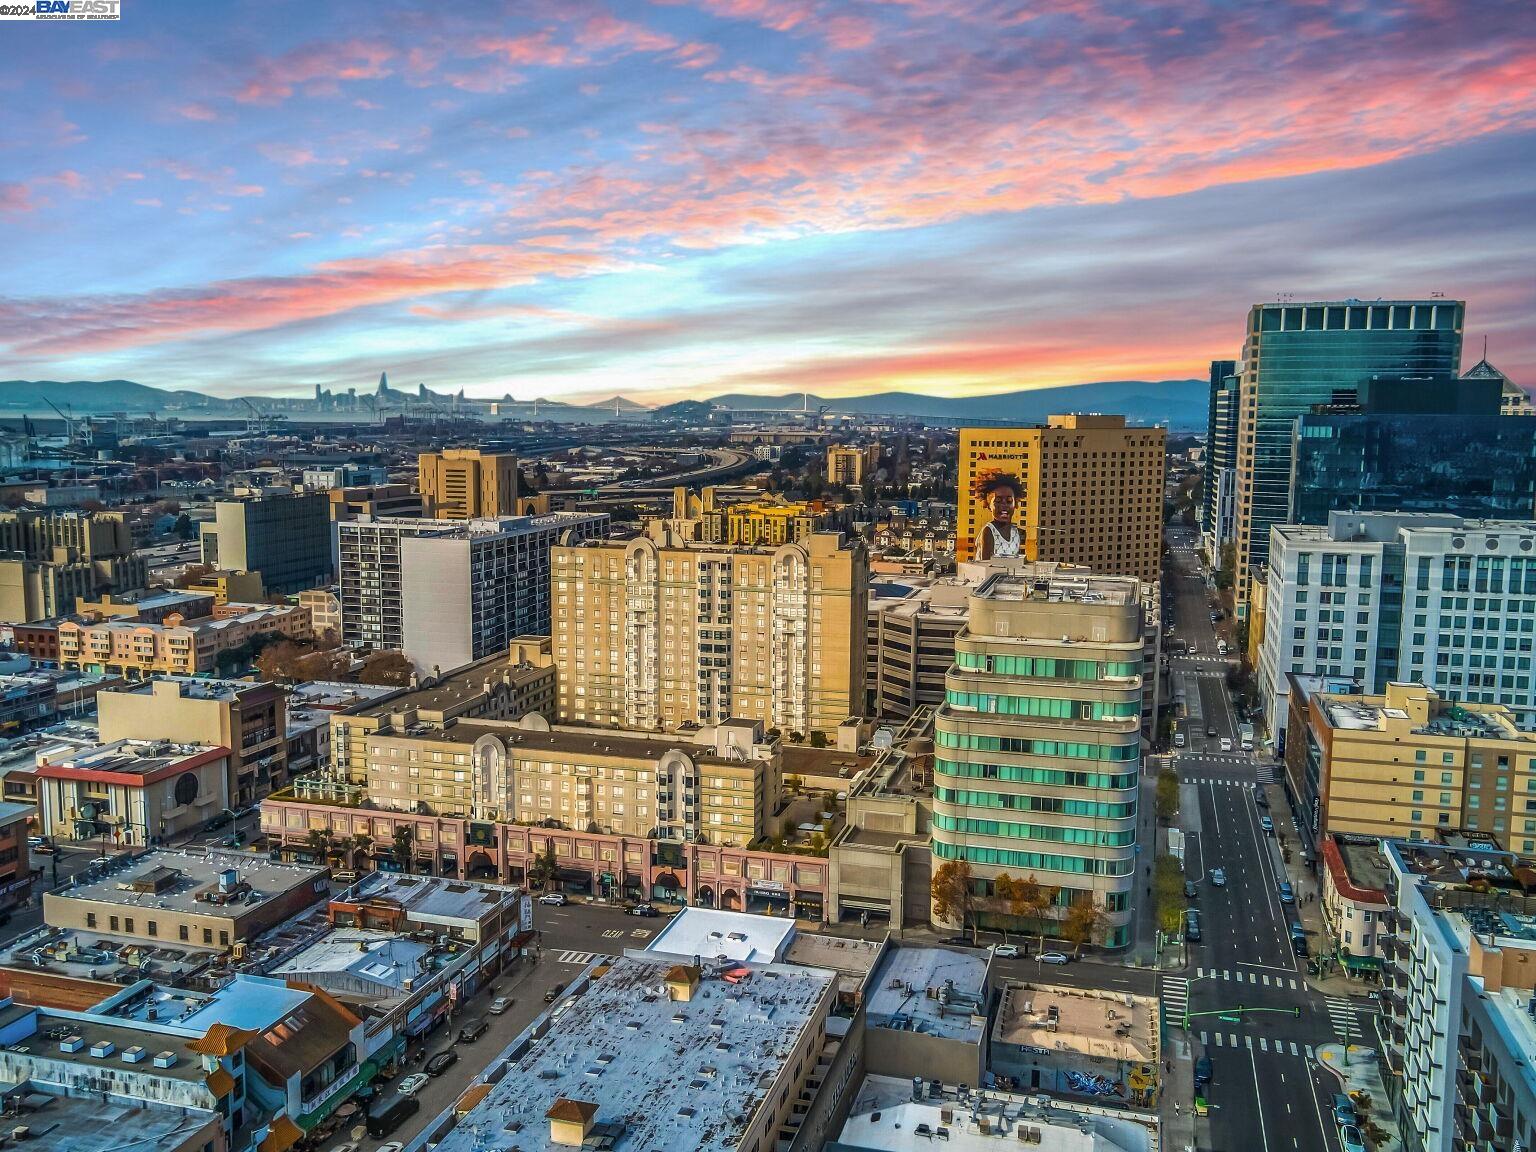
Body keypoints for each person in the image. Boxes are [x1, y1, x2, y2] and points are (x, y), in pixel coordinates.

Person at [973, 473, 1024, 561]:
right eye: (998, 501)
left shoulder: (1016, 532)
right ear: (988, 505)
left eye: (1009, 501)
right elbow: (986, 564)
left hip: (1009, 574)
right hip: (989, 574)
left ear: (1015, 504)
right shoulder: (988, 531)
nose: (1004, 505)